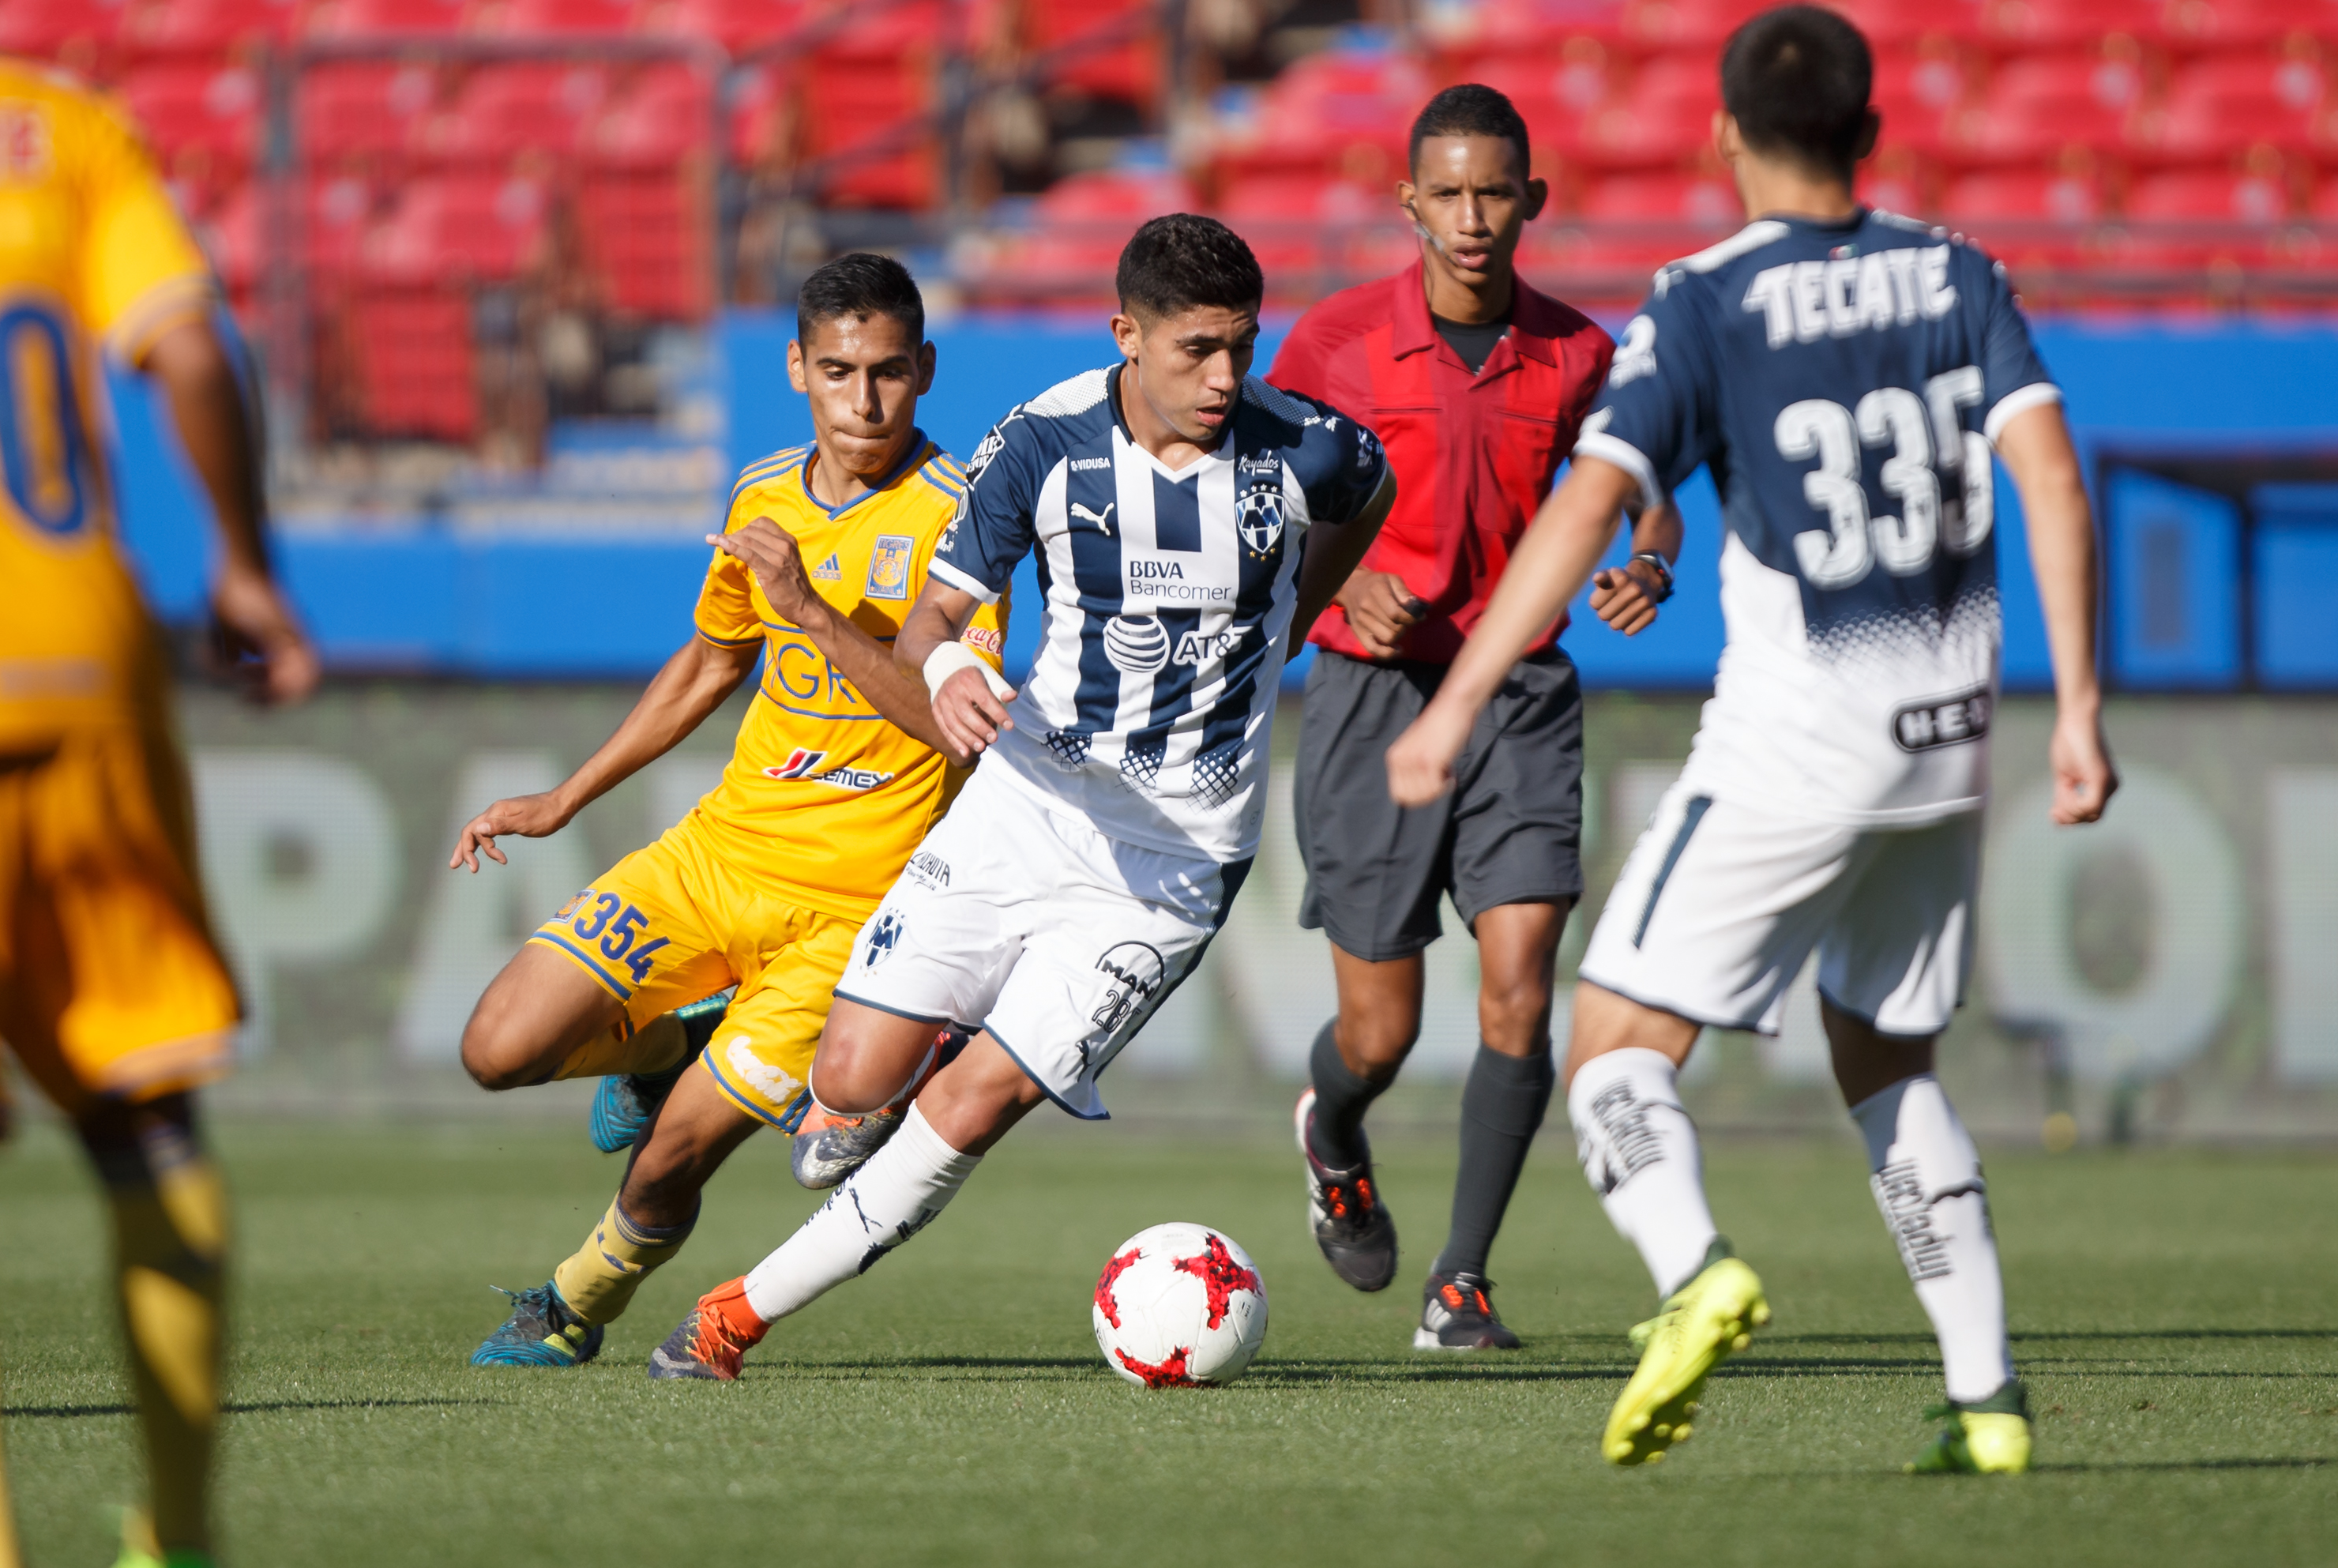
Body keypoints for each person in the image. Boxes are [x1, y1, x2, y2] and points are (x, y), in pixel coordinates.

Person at [1385, 6, 2116, 1472]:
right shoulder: (1958, 274)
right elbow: (2048, 474)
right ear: (1870, 137)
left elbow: (1590, 508)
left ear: (1722, 137)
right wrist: (2082, 709)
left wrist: (1456, 700)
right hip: (1947, 738)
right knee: (1888, 1062)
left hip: (1799, 741)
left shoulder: (1704, 302)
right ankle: (1985, 1400)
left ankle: (1691, 1271)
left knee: (1607, 1049)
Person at [642, 214, 1398, 1381]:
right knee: (840, 1097)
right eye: (1195, 349)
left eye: (1241, 348)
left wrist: (1292, 612)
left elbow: (1368, 492)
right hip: (1027, 804)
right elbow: (939, 613)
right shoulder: (1042, 441)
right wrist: (945, 674)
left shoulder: (1307, 451)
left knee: (978, 1104)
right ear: (1124, 335)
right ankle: (915, 1038)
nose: (1224, 378)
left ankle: (734, 1316)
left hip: (1170, 869)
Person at [455, 255, 1004, 1368]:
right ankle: (659, 1050)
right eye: (839, 371)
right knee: (496, 1048)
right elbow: (710, 664)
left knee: (668, 1162)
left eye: (890, 372)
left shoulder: (962, 523)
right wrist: (565, 797)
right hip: (717, 857)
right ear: (796, 366)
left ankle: (573, 1302)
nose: (863, 401)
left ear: (926, 371)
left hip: (852, 915)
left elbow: (959, 722)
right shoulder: (761, 494)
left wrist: (810, 605)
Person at [1267, 81, 1682, 1348]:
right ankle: (1330, 1128)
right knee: (1379, 1033)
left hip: (1519, 699)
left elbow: (1649, 486)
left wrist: (1649, 559)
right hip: (1370, 701)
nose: (1469, 216)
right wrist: (1349, 573)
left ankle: (1461, 1283)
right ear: (1407, 202)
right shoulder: (1332, 343)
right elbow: (1260, 500)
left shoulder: (1576, 351)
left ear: (1530, 202)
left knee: (1517, 993)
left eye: (1491, 191)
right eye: (1444, 192)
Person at [0, 55, 321, 1568]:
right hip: (78, 665)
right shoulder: (55, 130)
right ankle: (174, 1541)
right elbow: (189, 350)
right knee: (146, 1117)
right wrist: (242, 563)